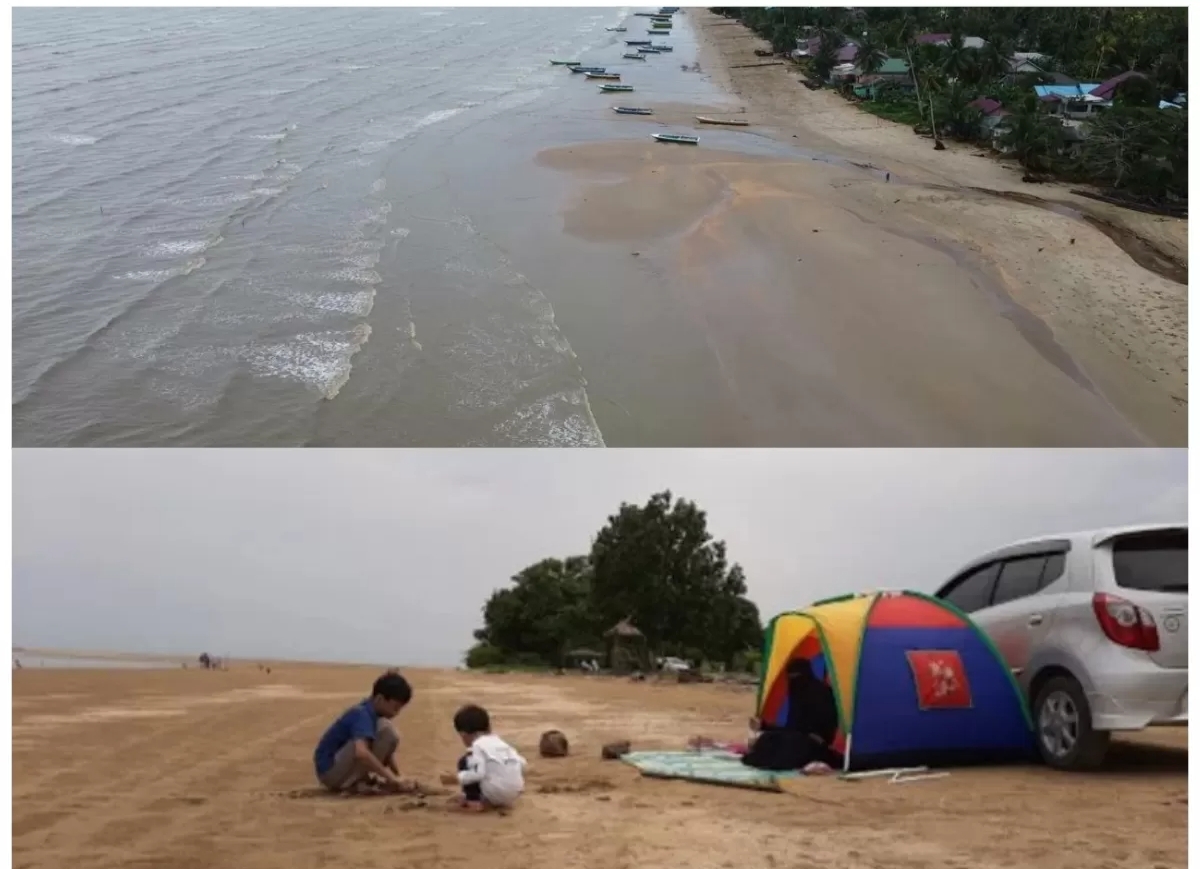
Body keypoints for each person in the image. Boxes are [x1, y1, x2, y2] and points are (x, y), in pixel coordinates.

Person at [313, 671, 413, 793]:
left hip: (338, 767)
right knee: (386, 730)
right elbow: (361, 752)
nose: (396, 713)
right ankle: (351, 783)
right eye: (395, 708)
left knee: (388, 734)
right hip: (330, 772)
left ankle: (357, 779)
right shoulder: (362, 714)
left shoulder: (373, 715)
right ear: (380, 698)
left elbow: (387, 753)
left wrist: (397, 776)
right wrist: (393, 780)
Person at [742, 658, 841, 772]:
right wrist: (763, 726)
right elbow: (793, 728)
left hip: (815, 742)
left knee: (789, 748)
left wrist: (821, 737)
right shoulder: (798, 694)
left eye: (796, 677)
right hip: (797, 737)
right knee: (768, 740)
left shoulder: (822, 694)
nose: (794, 682)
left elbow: (828, 725)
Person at [440, 704, 526, 810]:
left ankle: (474, 802)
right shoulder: (501, 742)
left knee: (465, 761)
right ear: (488, 727)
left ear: (463, 735)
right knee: (488, 769)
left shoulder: (477, 746)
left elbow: (478, 774)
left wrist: (457, 778)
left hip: (496, 792)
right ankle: (490, 798)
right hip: (514, 793)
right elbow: (522, 763)